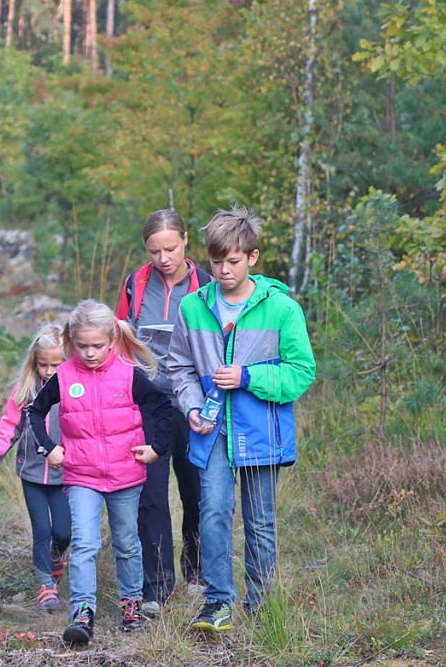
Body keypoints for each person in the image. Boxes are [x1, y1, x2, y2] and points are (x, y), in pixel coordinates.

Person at [166, 205, 316, 634]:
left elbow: (302, 371)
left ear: (252, 257)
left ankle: (262, 602)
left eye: (233, 261)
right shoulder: (193, 306)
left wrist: (249, 377)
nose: (224, 270)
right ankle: (217, 603)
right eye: (216, 261)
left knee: (260, 519)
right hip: (211, 433)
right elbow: (178, 367)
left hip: (262, 432)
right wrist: (192, 407)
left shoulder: (283, 309)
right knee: (212, 510)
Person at [28, 299, 175, 645]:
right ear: (71, 341)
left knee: (126, 542)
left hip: (126, 476)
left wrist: (156, 447)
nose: (90, 353)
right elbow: (35, 412)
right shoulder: (63, 376)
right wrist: (50, 447)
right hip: (81, 476)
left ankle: (130, 603)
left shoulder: (128, 374)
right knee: (84, 544)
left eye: (97, 345)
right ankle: (82, 611)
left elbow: (162, 408)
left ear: (112, 339)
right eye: (81, 346)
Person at [115, 209, 210, 614]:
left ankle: (197, 572)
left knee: (196, 493)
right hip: (146, 407)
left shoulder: (206, 284)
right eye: (155, 251)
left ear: (186, 241)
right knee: (150, 495)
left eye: (170, 248)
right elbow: (118, 339)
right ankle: (156, 586)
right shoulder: (136, 284)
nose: (163, 258)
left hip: (195, 406)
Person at [0, 324, 71, 613]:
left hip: (65, 474)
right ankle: (46, 586)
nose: (48, 371)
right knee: (42, 528)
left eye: (56, 364)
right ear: (34, 363)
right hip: (31, 473)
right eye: (43, 364)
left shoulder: (73, 389)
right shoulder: (26, 390)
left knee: (64, 531)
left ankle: (58, 555)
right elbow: (9, 428)